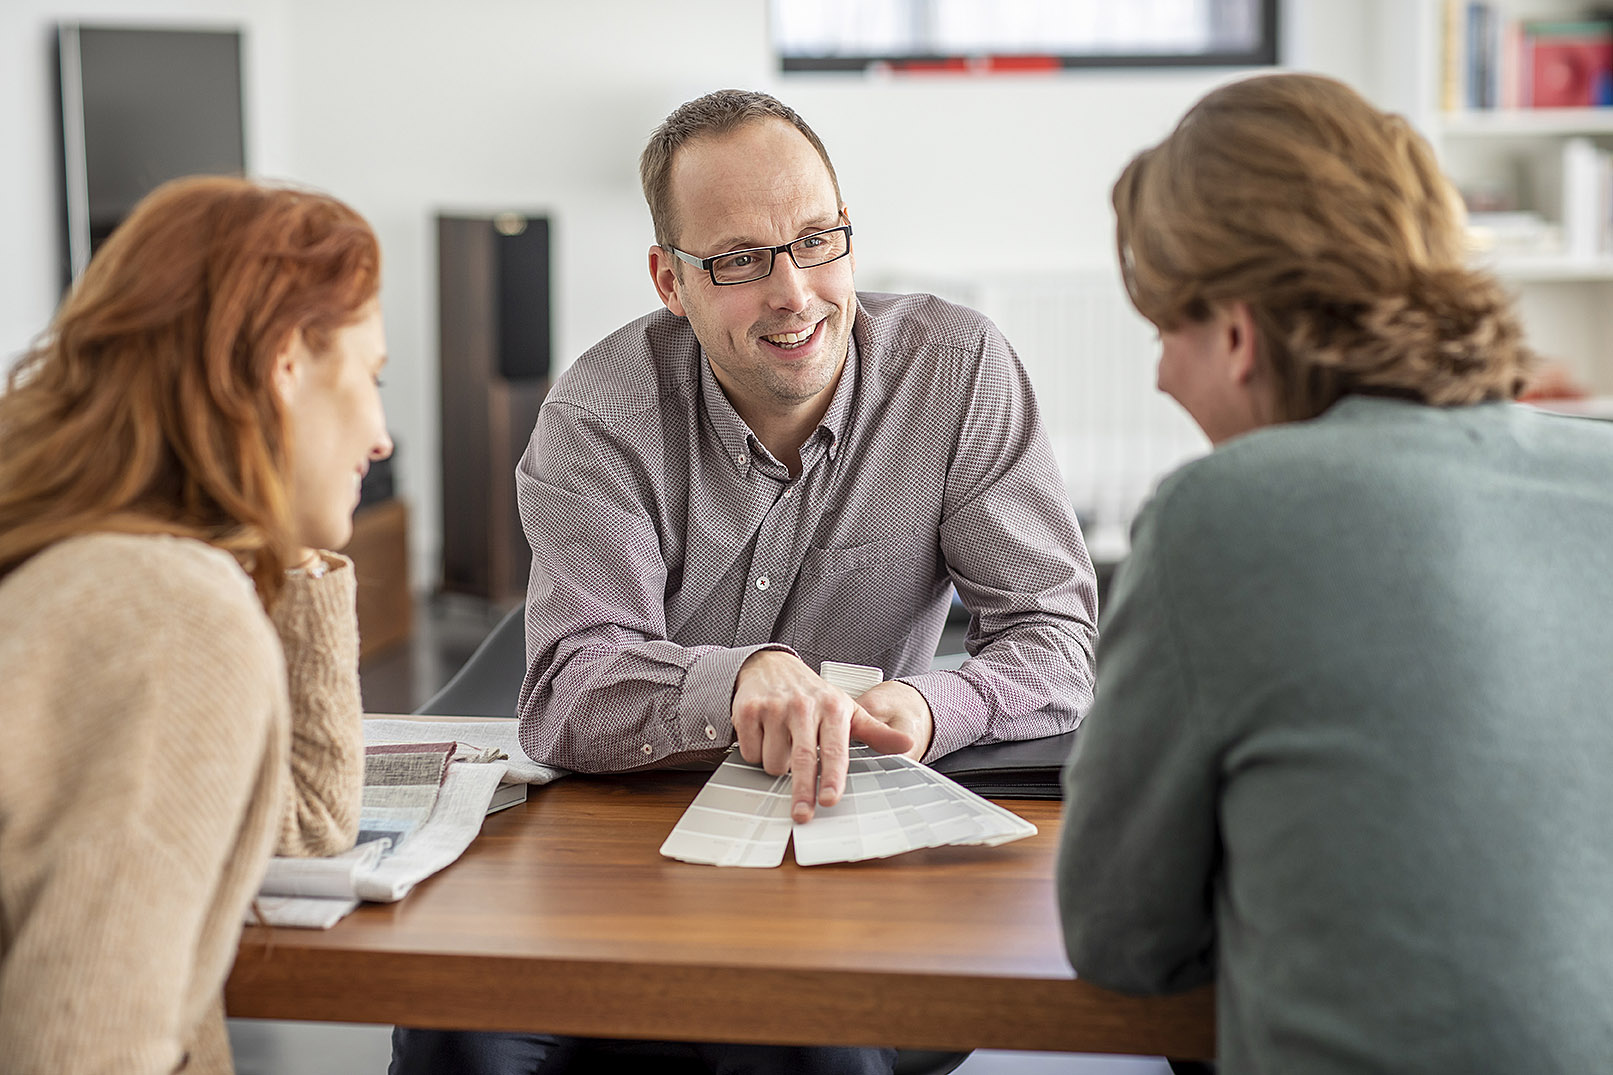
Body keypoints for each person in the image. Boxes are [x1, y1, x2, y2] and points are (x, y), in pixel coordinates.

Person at [391, 89, 1098, 1075]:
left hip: (840, 844)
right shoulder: (597, 419)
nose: (794, 293)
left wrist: (925, 708)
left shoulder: (956, 372)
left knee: (807, 1045)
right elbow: (567, 689)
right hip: (623, 852)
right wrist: (734, 683)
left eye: (816, 240)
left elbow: (1052, 639)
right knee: (451, 1030)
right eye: (737, 260)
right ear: (668, 282)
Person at [1056, 72, 1613, 1073]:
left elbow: (1120, 938)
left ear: (1234, 333)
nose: (1155, 374)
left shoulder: (1216, 518)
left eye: (1160, 331)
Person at [0, 175, 392, 1074]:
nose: (380, 435)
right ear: (285, 363)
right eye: (369, 377)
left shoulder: (91, 559)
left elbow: (308, 822)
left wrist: (284, 531)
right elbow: (80, 1051)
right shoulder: (171, 616)